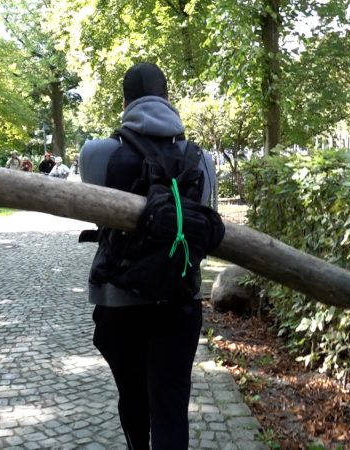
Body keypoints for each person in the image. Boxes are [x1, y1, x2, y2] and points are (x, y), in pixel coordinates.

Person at [79, 62, 216, 449]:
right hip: (179, 300)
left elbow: (95, 216)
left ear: (124, 102)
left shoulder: (96, 154)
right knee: (172, 408)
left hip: (119, 302)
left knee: (133, 396)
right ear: (168, 98)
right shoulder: (200, 159)